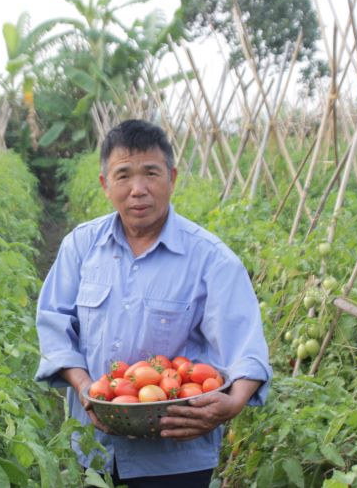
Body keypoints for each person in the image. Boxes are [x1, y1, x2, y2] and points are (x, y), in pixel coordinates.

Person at [34, 119, 272, 487]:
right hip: (95, 448)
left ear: (172, 178)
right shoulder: (81, 246)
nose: (138, 189)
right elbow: (54, 325)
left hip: (177, 455)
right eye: (123, 175)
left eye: (150, 173)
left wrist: (233, 403)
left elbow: (247, 350)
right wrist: (85, 388)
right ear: (105, 184)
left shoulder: (212, 259)